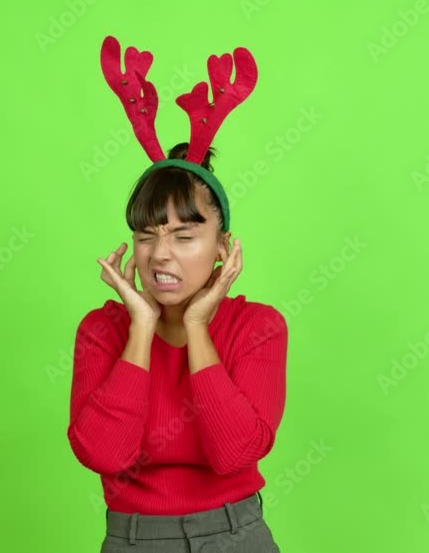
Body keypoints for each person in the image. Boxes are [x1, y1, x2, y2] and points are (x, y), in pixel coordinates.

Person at [66, 36, 288, 552]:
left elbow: (235, 453)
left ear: (221, 247)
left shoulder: (257, 327)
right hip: (133, 540)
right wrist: (141, 327)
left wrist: (195, 328)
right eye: (148, 235)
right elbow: (104, 453)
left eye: (185, 236)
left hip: (237, 536)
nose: (160, 255)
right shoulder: (103, 332)